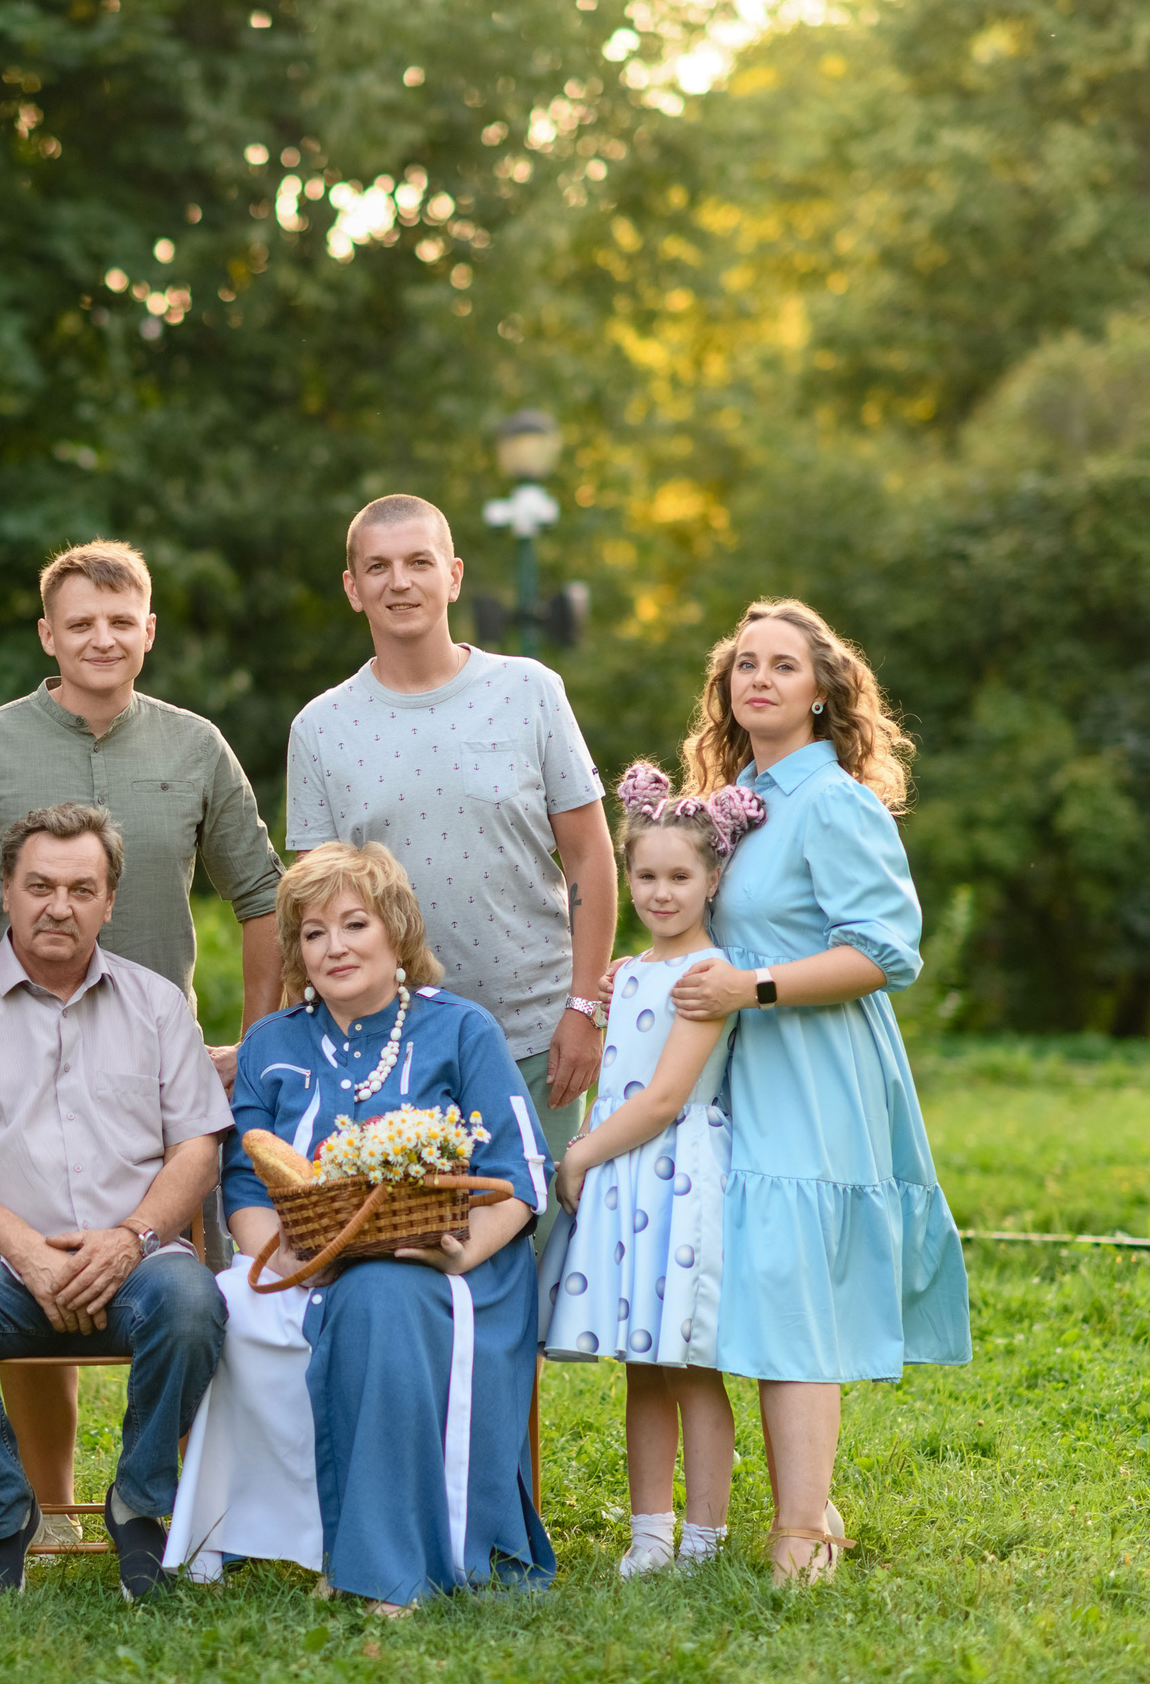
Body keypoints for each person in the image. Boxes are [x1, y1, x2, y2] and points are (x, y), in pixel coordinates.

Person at [0, 540, 281, 1542]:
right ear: (48, 633)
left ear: (149, 630)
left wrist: (255, 1040)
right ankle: (45, 1505)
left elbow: (262, 897)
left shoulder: (195, 745)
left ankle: (170, 1500)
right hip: (13, 1056)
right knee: (36, 1255)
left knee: (173, 1279)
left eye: (121, 621)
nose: (102, 637)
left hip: (155, 1066)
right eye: (80, 622)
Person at [667, 599, 972, 1584]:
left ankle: (799, 1531)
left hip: (812, 1064)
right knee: (756, 1281)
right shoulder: (735, 800)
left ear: (822, 691)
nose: (757, 677)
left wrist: (752, 985)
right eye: (743, 663)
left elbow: (887, 949)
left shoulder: (832, 800)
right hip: (737, 1067)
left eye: (782, 665)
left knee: (793, 1286)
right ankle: (812, 1505)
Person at [166, 840, 553, 1612]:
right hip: (299, 1259)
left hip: (456, 1263)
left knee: (380, 1296)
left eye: (354, 924)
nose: (334, 946)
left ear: (396, 932)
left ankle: (384, 1572)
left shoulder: (461, 1030)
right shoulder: (273, 1043)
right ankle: (248, 1534)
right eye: (313, 933)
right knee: (228, 1303)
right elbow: (246, 1182)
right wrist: (277, 1262)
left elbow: (522, 1180)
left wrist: (454, 1256)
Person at [0, 803, 231, 1598]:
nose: (58, 905)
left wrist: (133, 1238)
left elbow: (198, 1149)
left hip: (137, 1262)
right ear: (4, 892)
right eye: (38, 884)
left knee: (192, 1302)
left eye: (82, 888)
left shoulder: (155, 1004)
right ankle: (5, 1519)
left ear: (110, 902)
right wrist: (26, 1250)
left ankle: (141, 1509)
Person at [285, 495, 617, 1250]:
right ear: (353, 587)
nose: (400, 583)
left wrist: (585, 1009)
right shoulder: (320, 728)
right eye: (379, 567)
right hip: (390, 1044)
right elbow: (313, 906)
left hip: (535, 1030)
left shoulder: (530, 691)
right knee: (410, 1257)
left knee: (521, 1271)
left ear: (455, 576)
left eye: (419, 563)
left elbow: (591, 857)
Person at [539, 761, 766, 1578]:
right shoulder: (629, 972)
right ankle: (649, 1532)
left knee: (692, 1364)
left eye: (680, 876)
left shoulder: (709, 976)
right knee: (642, 1363)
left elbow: (666, 1096)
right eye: (645, 875)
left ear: (712, 880)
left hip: (676, 1177)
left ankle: (703, 1539)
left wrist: (583, 1152)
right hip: (628, 1181)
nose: (661, 892)